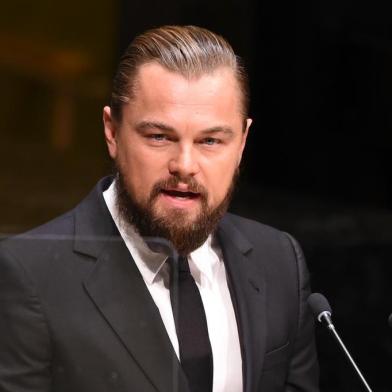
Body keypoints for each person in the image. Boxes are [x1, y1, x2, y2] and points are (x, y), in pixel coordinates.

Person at [0, 25, 319, 392]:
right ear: (112, 132)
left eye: (211, 140)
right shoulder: (27, 278)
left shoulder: (279, 262)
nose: (184, 164)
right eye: (159, 137)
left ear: (242, 141)